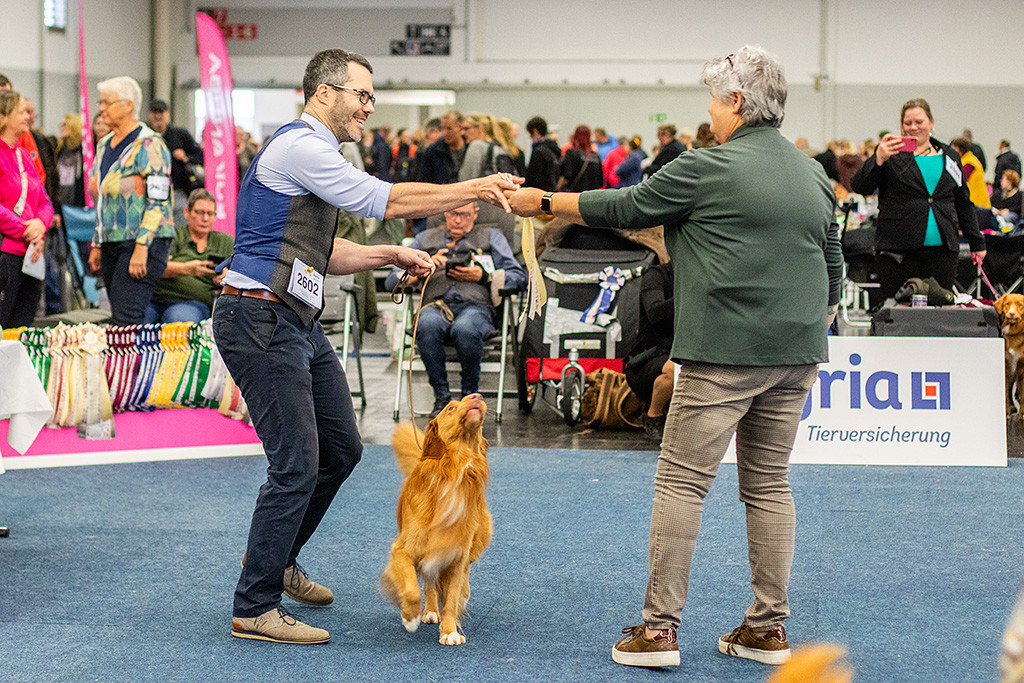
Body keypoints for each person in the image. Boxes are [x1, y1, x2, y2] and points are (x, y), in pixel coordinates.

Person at [505, 44, 842, 669]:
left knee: (682, 482)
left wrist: (544, 203)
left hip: (723, 354)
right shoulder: (814, 173)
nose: (710, 112)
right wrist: (810, 322)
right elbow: (833, 262)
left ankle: (658, 632)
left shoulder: (707, 166)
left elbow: (627, 206)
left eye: (714, 100)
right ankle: (767, 630)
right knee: (769, 484)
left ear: (736, 103)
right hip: (797, 354)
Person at [214, 48, 518, 646]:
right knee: (297, 463)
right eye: (362, 95)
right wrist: (474, 187)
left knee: (343, 449)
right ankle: (255, 605)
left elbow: (322, 256)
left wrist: (391, 253)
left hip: (293, 321)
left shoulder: (318, 155)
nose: (369, 107)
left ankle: (278, 562)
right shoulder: (300, 145)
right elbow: (385, 200)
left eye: (372, 97)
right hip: (258, 319)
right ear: (324, 93)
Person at [384, 201, 525, 417]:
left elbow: (518, 277)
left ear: (475, 214)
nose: (458, 220)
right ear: (445, 214)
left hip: (476, 307)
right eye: (452, 214)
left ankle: (469, 397)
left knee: (466, 328)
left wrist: (485, 276)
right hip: (435, 305)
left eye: (464, 215)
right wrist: (422, 270)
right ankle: (442, 397)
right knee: (426, 323)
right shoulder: (424, 239)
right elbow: (391, 280)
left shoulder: (492, 237)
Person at [851, 98, 986, 302]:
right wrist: (877, 159)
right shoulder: (891, 154)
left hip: (942, 251)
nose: (913, 127)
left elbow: (963, 202)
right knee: (897, 315)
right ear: (901, 125)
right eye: (907, 123)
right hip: (897, 252)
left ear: (931, 122)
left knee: (940, 316)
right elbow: (860, 187)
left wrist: (977, 241)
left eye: (919, 122)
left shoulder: (950, 156)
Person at [87, 76, 174, 326]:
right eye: (100, 102)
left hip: (144, 242)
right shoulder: (104, 144)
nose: (100, 108)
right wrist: (96, 243)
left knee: (126, 320)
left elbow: (159, 201)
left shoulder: (150, 144)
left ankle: (133, 366)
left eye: (106, 102)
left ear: (127, 105)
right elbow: (102, 200)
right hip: (112, 241)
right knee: (119, 318)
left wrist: (142, 247)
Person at [0, 90, 52, 328]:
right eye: (21, 111)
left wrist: (40, 225)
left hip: (31, 256)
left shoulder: (24, 155)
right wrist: (25, 229)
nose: (28, 116)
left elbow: (44, 201)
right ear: (3, 117)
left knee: (22, 332)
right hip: (6, 253)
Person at [145, 188, 232, 323]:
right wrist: (188, 269)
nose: (205, 218)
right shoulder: (172, 235)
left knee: (178, 319)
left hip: (193, 303)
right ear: (187, 212)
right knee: (136, 322)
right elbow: (154, 267)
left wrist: (227, 278)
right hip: (156, 299)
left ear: (215, 216)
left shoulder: (225, 241)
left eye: (210, 213)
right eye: (199, 212)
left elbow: (245, 275)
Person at [623, 261, 674, 441]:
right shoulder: (656, 275)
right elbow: (656, 314)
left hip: (684, 355)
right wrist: (691, 296)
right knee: (674, 369)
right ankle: (653, 415)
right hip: (647, 359)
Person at [147, 99, 204, 224]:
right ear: (150, 115)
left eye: (161, 112)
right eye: (154, 112)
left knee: (180, 231)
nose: (158, 116)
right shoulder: (145, 136)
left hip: (177, 191)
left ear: (167, 114)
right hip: (151, 193)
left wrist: (186, 158)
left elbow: (201, 156)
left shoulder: (180, 135)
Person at [414, 109, 465, 185]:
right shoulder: (433, 151)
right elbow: (424, 181)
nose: (445, 133)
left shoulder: (470, 148)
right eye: (443, 128)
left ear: (460, 128)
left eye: (449, 128)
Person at [459, 113, 514, 181]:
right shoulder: (497, 144)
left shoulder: (477, 145)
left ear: (480, 127)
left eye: (466, 128)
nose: (462, 133)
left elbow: (467, 179)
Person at [557, 125, 603, 191]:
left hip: (575, 195)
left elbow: (567, 176)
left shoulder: (571, 153)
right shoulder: (596, 156)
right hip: (592, 197)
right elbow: (600, 182)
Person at [949, 136, 991, 208]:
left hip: (977, 203)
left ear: (958, 149)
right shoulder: (968, 160)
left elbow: (959, 181)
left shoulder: (969, 163)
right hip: (976, 203)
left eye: (953, 149)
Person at [524, 116, 561, 191]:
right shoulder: (554, 149)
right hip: (552, 192)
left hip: (539, 194)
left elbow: (533, 178)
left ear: (535, 132)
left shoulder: (539, 151)